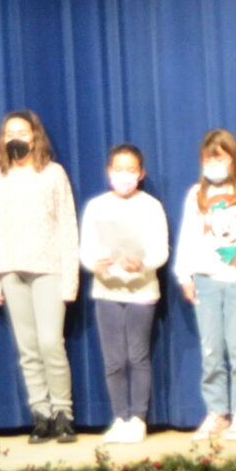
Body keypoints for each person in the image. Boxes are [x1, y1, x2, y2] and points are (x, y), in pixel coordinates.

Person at [0, 110, 79, 444]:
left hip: (49, 269)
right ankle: (41, 414)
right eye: (9, 133)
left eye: (22, 132)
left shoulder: (52, 174)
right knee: (28, 348)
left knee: (50, 343)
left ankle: (63, 413)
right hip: (11, 270)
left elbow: (67, 224)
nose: (16, 138)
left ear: (35, 137)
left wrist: (70, 279)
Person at [177, 128, 236, 442]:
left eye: (220, 158)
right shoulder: (197, 194)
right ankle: (216, 412)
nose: (214, 164)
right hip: (206, 281)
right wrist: (185, 275)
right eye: (208, 159)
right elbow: (188, 236)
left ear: (233, 159)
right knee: (211, 352)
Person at [81, 143, 169, 445]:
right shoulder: (97, 206)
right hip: (107, 291)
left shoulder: (151, 206)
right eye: (119, 169)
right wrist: (94, 264)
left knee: (137, 356)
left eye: (131, 169)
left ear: (141, 173)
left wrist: (142, 265)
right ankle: (120, 417)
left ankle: (138, 419)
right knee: (114, 359)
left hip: (141, 290)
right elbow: (86, 249)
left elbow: (160, 250)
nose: (124, 175)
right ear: (109, 172)